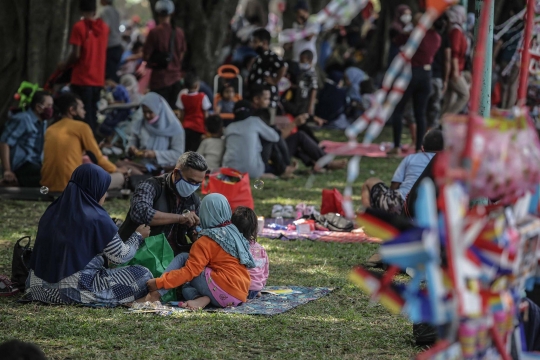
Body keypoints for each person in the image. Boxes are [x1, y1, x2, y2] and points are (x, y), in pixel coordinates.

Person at [26, 164, 153, 306]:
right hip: (71, 291)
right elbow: (120, 256)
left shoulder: (51, 211)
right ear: (95, 189)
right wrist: (137, 236)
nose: (105, 195)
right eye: (104, 190)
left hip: (37, 289)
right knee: (143, 274)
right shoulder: (97, 217)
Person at [145, 193, 255, 310]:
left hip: (222, 290)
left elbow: (190, 272)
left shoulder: (206, 240)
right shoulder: (234, 233)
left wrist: (159, 282)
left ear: (204, 214)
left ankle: (155, 294)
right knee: (186, 285)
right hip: (240, 295)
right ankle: (200, 298)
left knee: (184, 260)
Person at [118, 152, 207, 255]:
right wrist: (179, 218)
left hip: (173, 254)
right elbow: (140, 213)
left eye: (198, 183)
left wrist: (194, 235)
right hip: (138, 252)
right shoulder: (151, 186)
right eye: (191, 181)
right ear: (176, 173)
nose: (193, 186)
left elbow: (194, 227)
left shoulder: (194, 200)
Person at [40, 93, 126, 192]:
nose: (84, 112)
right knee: (119, 177)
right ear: (72, 110)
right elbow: (97, 158)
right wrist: (117, 170)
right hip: (72, 186)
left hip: (47, 187)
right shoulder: (82, 127)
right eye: (82, 108)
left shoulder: (50, 129)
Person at [361, 129, 444, 215]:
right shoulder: (446, 164)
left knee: (370, 182)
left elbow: (395, 185)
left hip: (401, 203)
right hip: (430, 209)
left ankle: (367, 218)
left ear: (422, 148)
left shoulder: (411, 158)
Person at [390, 13, 441, 153]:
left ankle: (396, 146)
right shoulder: (437, 37)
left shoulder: (415, 35)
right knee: (421, 113)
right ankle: (419, 147)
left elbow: (397, 40)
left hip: (411, 73)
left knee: (398, 109)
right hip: (427, 75)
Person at [62, 0, 109, 132]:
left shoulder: (79, 27)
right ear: (95, 11)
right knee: (92, 114)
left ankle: (86, 149)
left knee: (81, 116)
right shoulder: (104, 28)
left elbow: (76, 54)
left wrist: (64, 65)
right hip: (98, 80)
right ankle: (92, 145)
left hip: (82, 78)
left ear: (81, 11)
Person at [121, 92, 185, 173]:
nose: (147, 115)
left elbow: (178, 154)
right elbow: (132, 143)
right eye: (144, 112)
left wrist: (155, 154)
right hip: (144, 166)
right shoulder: (140, 124)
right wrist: (131, 149)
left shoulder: (174, 128)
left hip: (166, 167)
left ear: (158, 109)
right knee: (121, 165)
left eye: (150, 112)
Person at [0, 91, 54, 187]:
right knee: (49, 176)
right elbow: (5, 142)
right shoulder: (23, 119)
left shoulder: (43, 123)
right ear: (38, 107)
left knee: (55, 175)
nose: (51, 109)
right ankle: (14, 182)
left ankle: (17, 182)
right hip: (22, 164)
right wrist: (7, 170)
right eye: (48, 106)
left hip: (35, 163)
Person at [143, 0, 187, 108]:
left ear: (157, 13)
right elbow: (181, 54)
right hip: (176, 79)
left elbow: (146, 56)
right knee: (173, 114)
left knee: (159, 113)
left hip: (159, 81)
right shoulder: (179, 33)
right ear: (172, 13)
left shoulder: (154, 33)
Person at [223, 101, 280, 179]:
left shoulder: (229, 127)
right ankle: (281, 169)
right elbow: (275, 137)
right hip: (253, 172)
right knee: (268, 139)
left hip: (230, 172)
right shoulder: (254, 121)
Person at [248, 28, 288, 125]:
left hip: (267, 100)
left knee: (266, 124)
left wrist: (275, 80)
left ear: (264, 42)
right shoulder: (258, 57)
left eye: (256, 42)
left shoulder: (270, 56)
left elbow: (283, 66)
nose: (253, 45)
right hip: (257, 100)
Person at [232, 206, 269, 300]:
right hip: (257, 287)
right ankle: (255, 292)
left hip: (240, 288)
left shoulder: (233, 247)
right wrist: (260, 285)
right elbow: (265, 270)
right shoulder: (260, 249)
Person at [441, 5, 469, 115]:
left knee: (449, 101)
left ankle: (439, 124)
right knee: (464, 95)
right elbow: (454, 54)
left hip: (455, 69)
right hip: (455, 70)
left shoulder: (455, 29)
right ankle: (446, 120)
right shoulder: (456, 31)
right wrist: (456, 72)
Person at [427, 14, 451, 129]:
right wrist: (445, 79)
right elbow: (447, 60)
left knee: (423, 107)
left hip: (426, 74)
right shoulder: (444, 38)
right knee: (434, 107)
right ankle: (431, 134)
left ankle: (420, 136)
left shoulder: (427, 36)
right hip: (436, 77)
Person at [176, 73, 212, 152]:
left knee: (187, 149)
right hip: (199, 127)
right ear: (197, 85)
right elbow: (206, 114)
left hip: (186, 126)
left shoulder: (183, 97)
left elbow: (181, 114)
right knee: (196, 150)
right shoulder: (202, 96)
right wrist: (207, 127)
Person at [99, 0, 123, 82]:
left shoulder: (104, 11)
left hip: (110, 46)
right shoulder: (115, 11)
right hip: (118, 45)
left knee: (109, 77)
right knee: (113, 73)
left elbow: (105, 28)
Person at [290, 0, 318, 65]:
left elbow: (309, 37)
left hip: (307, 59)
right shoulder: (295, 24)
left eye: (298, 12)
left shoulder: (312, 22)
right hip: (296, 58)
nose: (297, 14)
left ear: (305, 11)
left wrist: (301, 25)